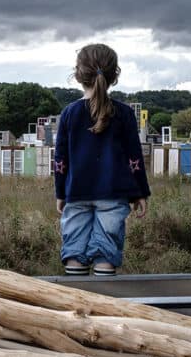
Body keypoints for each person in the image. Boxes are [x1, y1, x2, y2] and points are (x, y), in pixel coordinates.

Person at [53, 43, 149, 276]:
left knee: (74, 255)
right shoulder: (124, 113)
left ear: (78, 74)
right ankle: (105, 300)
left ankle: (76, 307)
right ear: (114, 76)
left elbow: (60, 159)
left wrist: (60, 193)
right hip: (114, 195)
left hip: (76, 192)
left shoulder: (69, 113)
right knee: (106, 255)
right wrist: (140, 192)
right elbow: (134, 157)